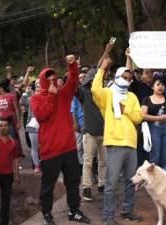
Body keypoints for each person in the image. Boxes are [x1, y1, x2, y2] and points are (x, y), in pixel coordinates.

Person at [31, 55, 90, 225]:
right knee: (48, 186)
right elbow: (42, 116)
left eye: (54, 79)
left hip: (69, 148)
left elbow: (72, 81)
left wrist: (72, 65)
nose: (52, 82)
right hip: (50, 151)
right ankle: (47, 214)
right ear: (43, 82)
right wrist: (50, 95)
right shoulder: (37, 98)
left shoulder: (64, 94)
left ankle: (74, 211)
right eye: (48, 80)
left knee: (73, 182)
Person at [92, 51, 143, 225]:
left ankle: (127, 211)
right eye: (124, 76)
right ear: (117, 76)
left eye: (130, 78)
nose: (127, 80)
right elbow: (94, 89)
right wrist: (102, 69)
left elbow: (138, 117)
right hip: (114, 144)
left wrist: (125, 108)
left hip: (131, 144)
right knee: (111, 183)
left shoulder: (132, 97)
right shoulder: (107, 94)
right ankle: (108, 217)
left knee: (130, 181)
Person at [76, 68, 106, 201]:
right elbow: (74, 86)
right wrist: (75, 69)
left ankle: (102, 184)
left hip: (104, 132)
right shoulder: (84, 93)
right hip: (89, 133)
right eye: (93, 79)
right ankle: (86, 188)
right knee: (88, 162)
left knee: (103, 162)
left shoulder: (105, 93)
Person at [0, 79, 23, 156]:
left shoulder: (11, 96)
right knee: (1, 139)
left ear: (1, 88)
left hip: (10, 120)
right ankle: (5, 156)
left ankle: (15, 157)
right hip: (0, 120)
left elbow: (16, 109)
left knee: (12, 139)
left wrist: (18, 121)